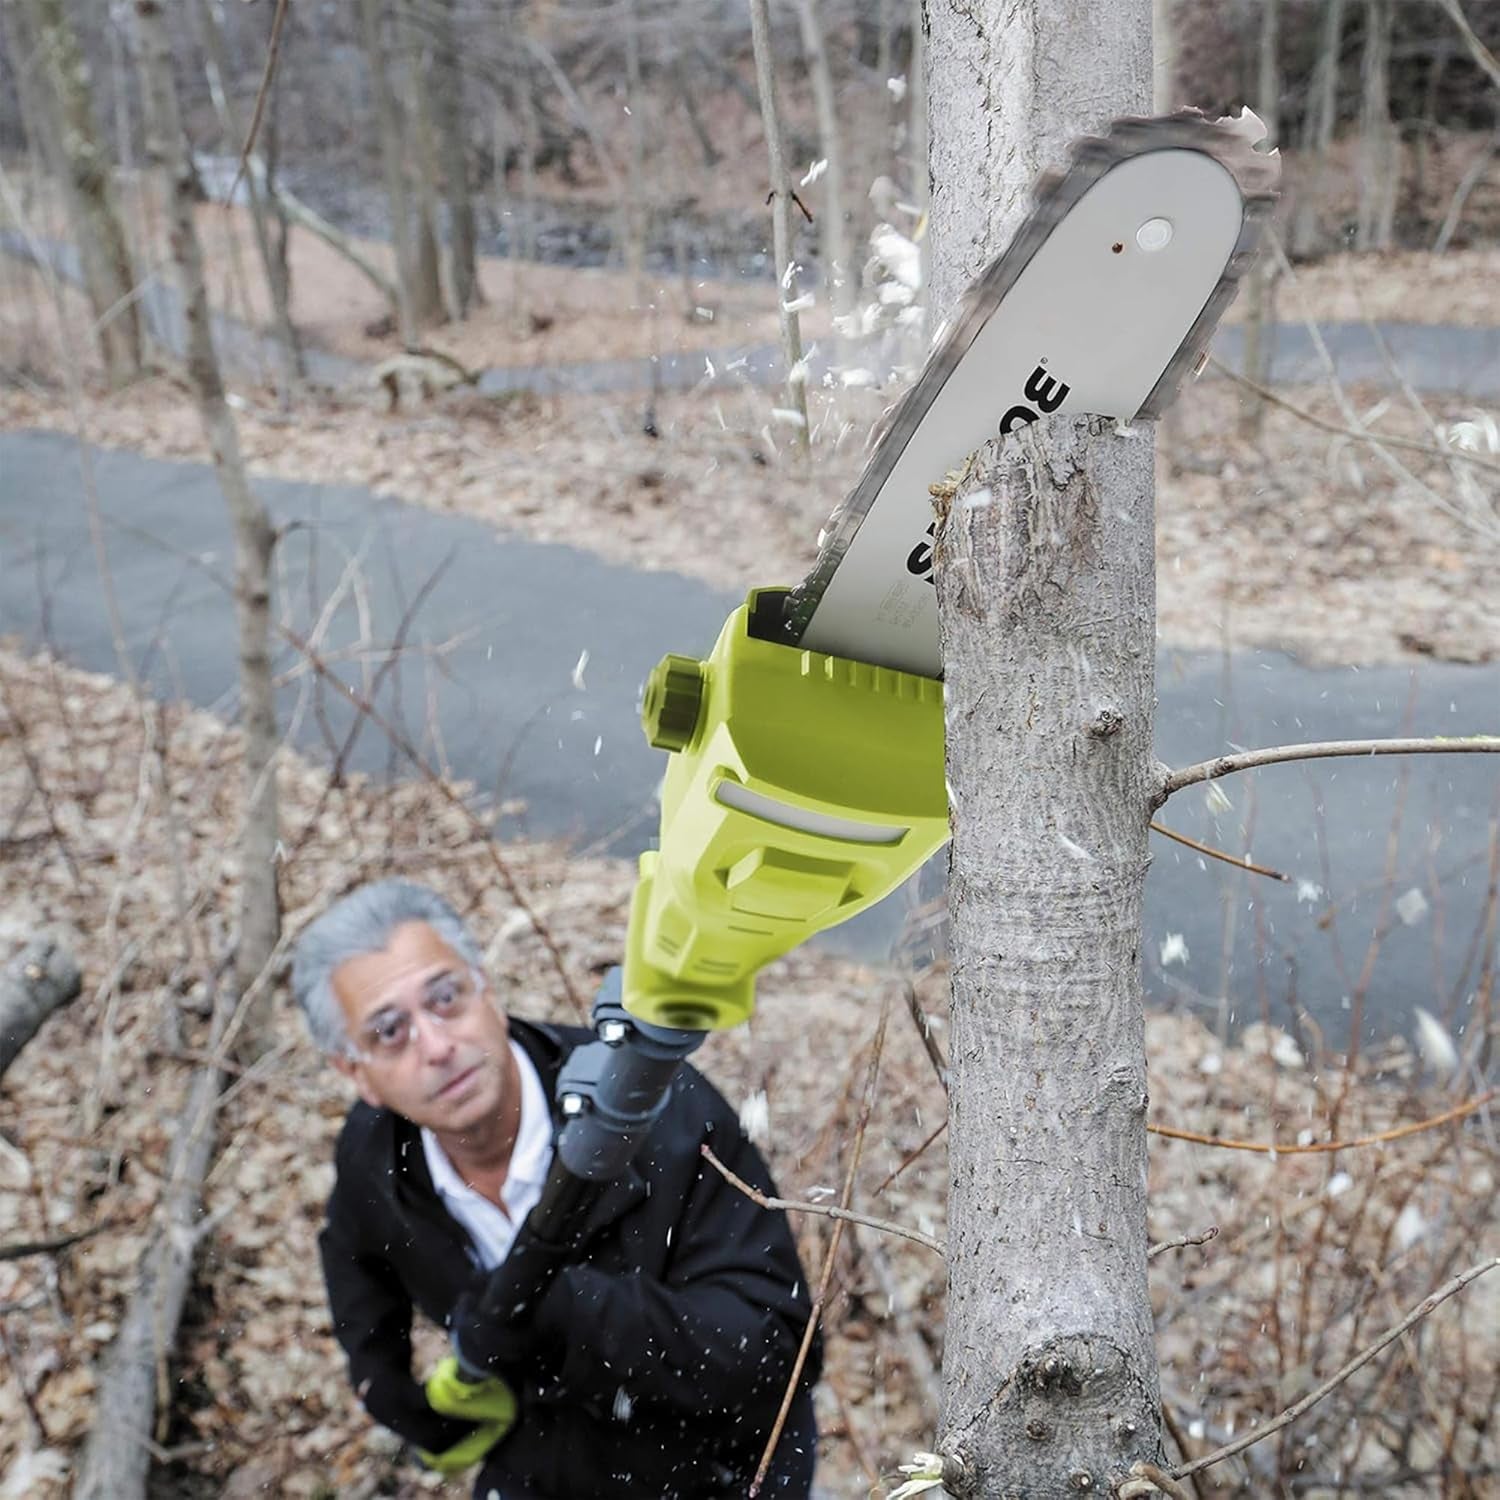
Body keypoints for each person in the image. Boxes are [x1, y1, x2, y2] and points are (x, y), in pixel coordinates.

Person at [291, 878, 820, 1499]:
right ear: (356, 1073)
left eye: (445, 998)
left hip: (717, 1472)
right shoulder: (376, 1152)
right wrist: (396, 1396)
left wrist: (567, 1310)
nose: (435, 1046)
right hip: (540, 1463)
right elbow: (352, 1253)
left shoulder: (659, 1113)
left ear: (486, 989)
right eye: (389, 1032)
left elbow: (776, 1356)